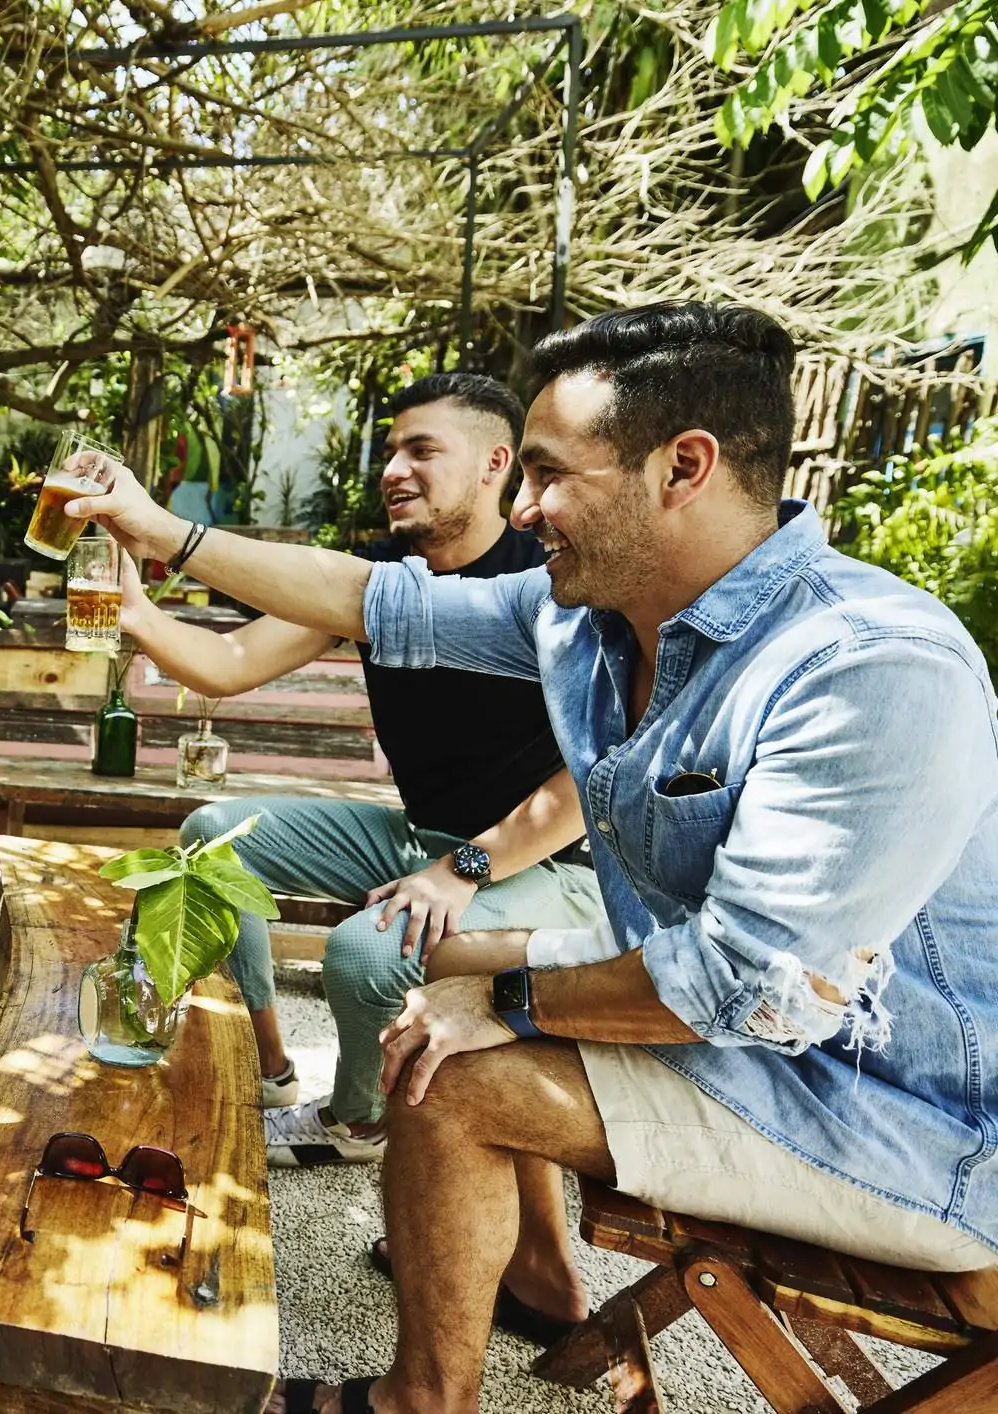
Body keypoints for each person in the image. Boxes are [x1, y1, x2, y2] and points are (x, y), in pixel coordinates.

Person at [66, 304, 998, 1414]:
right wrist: (157, 531)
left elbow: (743, 986)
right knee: (440, 991)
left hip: (903, 1124)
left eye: (548, 474)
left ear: (680, 468)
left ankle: (421, 1396)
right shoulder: (593, 615)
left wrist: (508, 992)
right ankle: (526, 1287)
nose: (521, 507)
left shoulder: (864, 664)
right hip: (752, 1044)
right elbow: (376, 602)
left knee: (451, 1066)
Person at [125, 375, 601, 1176]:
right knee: (210, 842)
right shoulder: (378, 582)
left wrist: (462, 872)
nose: (394, 469)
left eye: (422, 450)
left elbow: (592, 782)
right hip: (424, 841)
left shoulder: (552, 586)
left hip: (546, 863)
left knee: (361, 956)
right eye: (390, 451)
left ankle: (355, 1124)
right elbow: (229, 661)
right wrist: (135, 611)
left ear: (494, 463)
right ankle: (269, 1067)